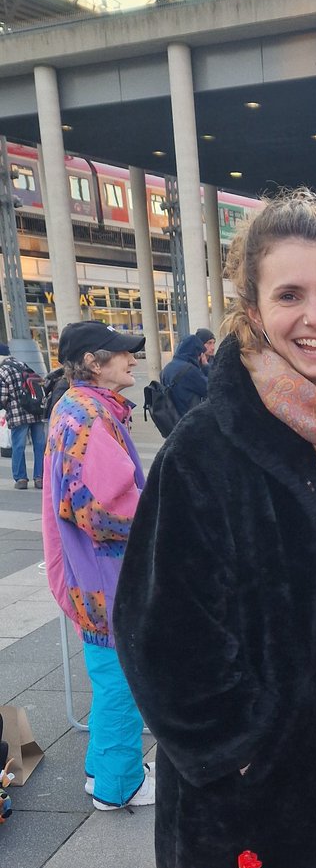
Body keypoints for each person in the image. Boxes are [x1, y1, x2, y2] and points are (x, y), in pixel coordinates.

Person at [112, 188, 316, 868]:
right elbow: (158, 632)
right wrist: (240, 751)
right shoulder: (204, 448)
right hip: (247, 808)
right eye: (290, 295)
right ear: (253, 310)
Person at [42, 321, 155, 810]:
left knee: (111, 676)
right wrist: (161, 512)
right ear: (93, 361)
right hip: (106, 578)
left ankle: (102, 769)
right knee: (121, 680)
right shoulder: (89, 415)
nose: (132, 360)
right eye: (122, 353)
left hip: (92, 575)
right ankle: (117, 785)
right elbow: (100, 507)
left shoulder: (77, 408)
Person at [0, 343, 47, 489]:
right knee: (39, 445)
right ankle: (40, 477)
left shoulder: (3, 371)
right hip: (36, 412)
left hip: (18, 414)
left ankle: (21, 479)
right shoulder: (23, 365)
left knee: (18, 446)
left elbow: (3, 396)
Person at [161, 333, 209, 419]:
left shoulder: (166, 369)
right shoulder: (189, 370)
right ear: (196, 353)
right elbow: (210, 388)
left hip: (172, 419)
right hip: (190, 420)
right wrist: (205, 366)